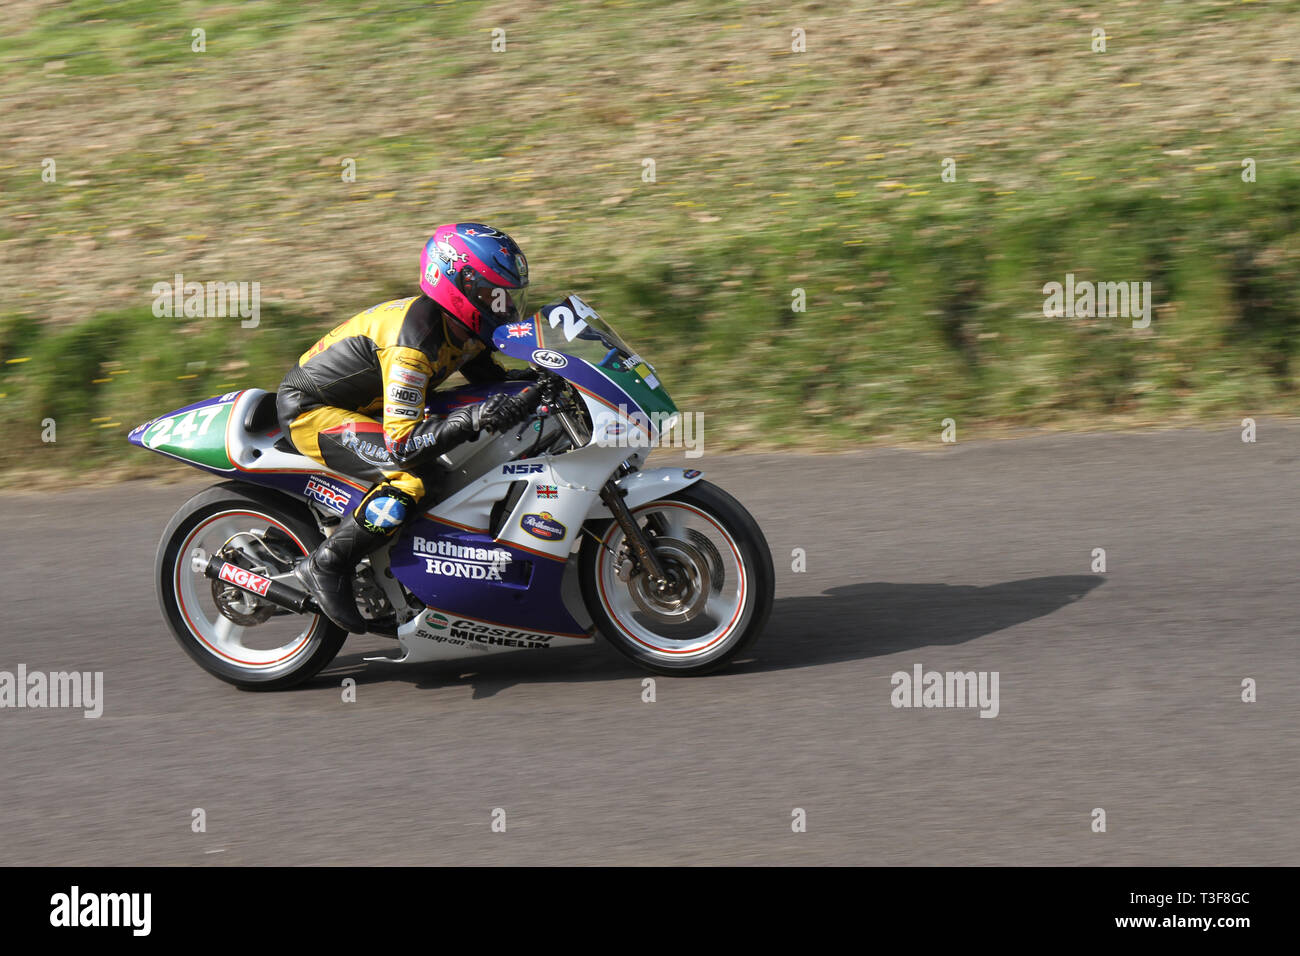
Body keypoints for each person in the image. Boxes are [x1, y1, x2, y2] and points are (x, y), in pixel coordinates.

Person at [275, 222, 537, 632]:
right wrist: (472, 418)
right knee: (417, 477)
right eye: (493, 294)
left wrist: (544, 375)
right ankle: (326, 564)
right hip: (313, 411)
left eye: (508, 295)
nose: (504, 307)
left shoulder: (463, 326)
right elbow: (401, 445)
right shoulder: (413, 348)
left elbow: (489, 373)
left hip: (371, 406)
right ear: (459, 286)